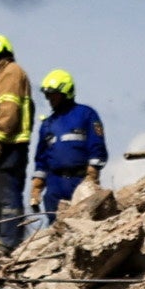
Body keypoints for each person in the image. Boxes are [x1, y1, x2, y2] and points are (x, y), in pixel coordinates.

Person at [0, 35, 38, 247]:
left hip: (10, 146)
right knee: (1, 198)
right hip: (7, 145)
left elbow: (9, 110)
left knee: (8, 196)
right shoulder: (7, 75)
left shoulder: (11, 73)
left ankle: (9, 242)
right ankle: (3, 240)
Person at [31, 69, 110, 225]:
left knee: (83, 222)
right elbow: (41, 158)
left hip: (80, 180)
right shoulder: (48, 124)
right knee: (56, 226)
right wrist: (37, 187)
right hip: (55, 184)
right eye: (47, 95)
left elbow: (97, 143)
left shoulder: (86, 114)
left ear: (65, 92)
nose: (49, 99)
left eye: (53, 94)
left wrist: (93, 172)